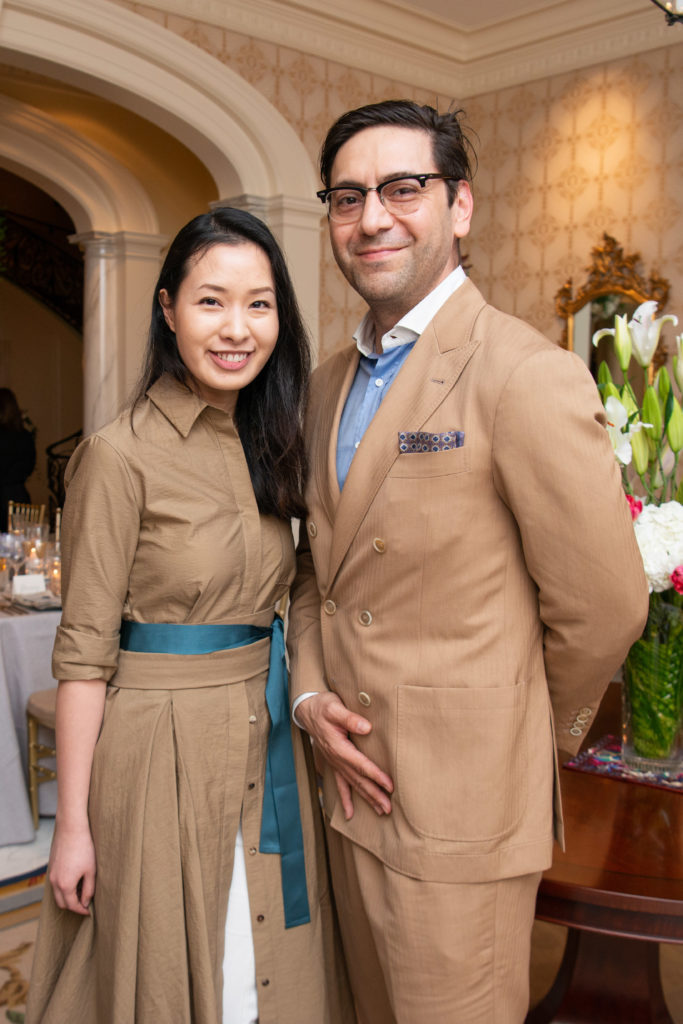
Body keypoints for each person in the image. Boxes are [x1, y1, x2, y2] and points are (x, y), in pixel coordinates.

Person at [286, 100, 649, 1023]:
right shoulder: (323, 386)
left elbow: (605, 607)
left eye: (402, 189)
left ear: (460, 207)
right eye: (347, 197)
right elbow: (316, 575)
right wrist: (310, 695)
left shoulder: (522, 374)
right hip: (344, 789)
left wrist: (505, 734)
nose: (372, 217)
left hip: (463, 814)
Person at [26, 209, 352, 1024]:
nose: (237, 329)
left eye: (259, 304)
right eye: (212, 301)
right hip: (158, 749)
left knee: (264, 965)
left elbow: (301, 582)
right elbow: (84, 655)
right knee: (184, 968)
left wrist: (310, 695)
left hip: (266, 731)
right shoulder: (118, 456)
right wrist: (73, 827)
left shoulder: (274, 439)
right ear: (168, 309)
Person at [0, 387, 36, 532]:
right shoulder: (25, 436)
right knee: (20, 539)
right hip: (19, 496)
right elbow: (29, 466)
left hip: (4, 497)